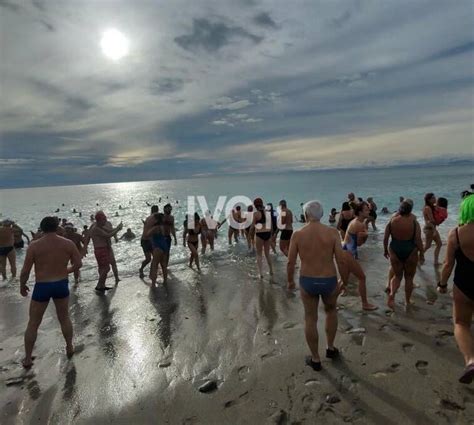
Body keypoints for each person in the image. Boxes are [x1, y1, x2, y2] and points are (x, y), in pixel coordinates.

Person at [287, 200, 347, 371]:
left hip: (308, 280)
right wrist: (345, 280)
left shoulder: (298, 234)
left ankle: (315, 359)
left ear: (306, 215)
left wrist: (290, 280)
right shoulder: (333, 232)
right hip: (329, 279)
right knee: (331, 311)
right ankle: (330, 348)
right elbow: (341, 259)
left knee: (310, 318)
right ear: (321, 214)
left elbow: (291, 261)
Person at [19, 217, 82, 368]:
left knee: (33, 323)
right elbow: (78, 263)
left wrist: (22, 285)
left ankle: (27, 358)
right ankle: (69, 346)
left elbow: (26, 270)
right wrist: (66, 270)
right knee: (64, 318)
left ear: (42, 228)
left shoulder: (34, 246)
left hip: (42, 286)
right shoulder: (68, 243)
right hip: (61, 284)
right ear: (57, 227)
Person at [437, 194, 474, 384]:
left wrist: (442, 284)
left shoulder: (456, 233)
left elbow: (448, 264)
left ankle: (471, 360)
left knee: (461, 323)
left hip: (464, 283)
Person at [383, 201, 424, 309]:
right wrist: (422, 253)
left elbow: (386, 237)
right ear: (410, 210)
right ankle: (407, 301)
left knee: (397, 276)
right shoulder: (414, 222)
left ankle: (392, 295)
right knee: (409, 278)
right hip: (410, 250)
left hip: (395, 248)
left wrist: (385, 250)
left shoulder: (392, 221)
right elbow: (418, 239)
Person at [340, 202, 377, 311]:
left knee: (344, 281)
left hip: (345, 251)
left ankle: (329, 301)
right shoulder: (359, 224)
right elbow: (360, 243)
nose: (369, 211)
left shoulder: (357, 221)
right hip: (348, 253)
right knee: (362, 277)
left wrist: (365, 234)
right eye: (366, 210)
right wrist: (365, 235)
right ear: (360, 212)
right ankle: (365, 304)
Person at [84, 211, 123, 292]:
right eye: (104, 219)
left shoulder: (101, 226)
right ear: (99, 220)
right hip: (101, 250)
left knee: (105, 267)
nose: (105, 221)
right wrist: (118, 229)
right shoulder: (95, 228)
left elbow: (109, 231)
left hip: (104, 248)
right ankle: (99, 285)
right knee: (106, 268)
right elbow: (107, 235)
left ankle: (102, 285)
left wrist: (117, 229)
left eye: (105, 219)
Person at [253, 198, 273, 279]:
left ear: (255, 205)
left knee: (259, 254)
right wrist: (271, 235)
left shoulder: (256, 214)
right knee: (267, 254)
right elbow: (271, 225)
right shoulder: (267, 212)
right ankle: (271, 270)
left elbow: (253, 225)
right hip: (267, 234)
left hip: (259, 234)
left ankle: (261, 273)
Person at [147, 213, 168, 286]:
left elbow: (147, 234)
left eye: (153, 219)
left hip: (157, 247)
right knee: (163, 265)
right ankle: (165, 281)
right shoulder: (163, 227)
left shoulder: (155, 228)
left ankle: (153, 283)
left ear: (156, 219)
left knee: (154, 265)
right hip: (164, 246)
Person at [423, 193, 442, 265]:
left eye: (435, 197)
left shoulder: (432, 207)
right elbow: (431, 220)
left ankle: (436, 262)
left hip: (432, 228)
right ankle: (418, 257)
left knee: (439, 244)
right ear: (428, 200)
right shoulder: (427, 208)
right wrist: (439, 221)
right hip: (429, 229)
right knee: (427, 246)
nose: (435, 199)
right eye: (433, 198)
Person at [139, 205, 158, 278]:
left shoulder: (148, 218)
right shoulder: (153, 218)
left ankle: (152, 272)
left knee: (153, 258)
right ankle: (141, 269)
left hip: (147, 240)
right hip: (146, 241)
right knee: (149, 259)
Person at [162, 203, 177, 268]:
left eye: (170, 208)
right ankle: (161, 265)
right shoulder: (161, 217)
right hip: (160, 237)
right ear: (164, 209)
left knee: (167, 253)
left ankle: (165, 266)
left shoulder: (171, 218)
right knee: (161, 253)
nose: (170, 210)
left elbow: (172, 228)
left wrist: (175, 238)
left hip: (168, 237)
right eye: (168, 208)